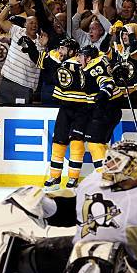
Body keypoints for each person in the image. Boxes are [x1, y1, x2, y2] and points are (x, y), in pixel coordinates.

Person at [0, 140, 137, 273]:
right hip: (82, 250)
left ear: (134, 167)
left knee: (96, 251)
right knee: (19, 258)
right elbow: (72, 212)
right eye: (109, 158)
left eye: (116, 161)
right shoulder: (93, 181)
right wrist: (45, 207)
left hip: (131, 267)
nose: (109, 164)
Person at [21, 36, 85, 190]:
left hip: (81, 108)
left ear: (72, 51)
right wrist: (31, 47)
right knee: (58, 142)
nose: (60, 51)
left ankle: (73, 179)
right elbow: (40, 59)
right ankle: (55, 177)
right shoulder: (56, 60)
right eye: (60, 48)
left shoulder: (82, 64)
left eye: (63, 48)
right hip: (64, 108)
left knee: (76, 144)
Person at [79, 45, 123, 171]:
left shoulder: (94, 65)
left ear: (88, 58)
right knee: (100, 144)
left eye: (80, 56)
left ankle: (103, 177)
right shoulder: (97, 61)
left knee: (94, 143)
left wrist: (104, 92)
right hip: (106, 109)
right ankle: (111, 174)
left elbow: (106, 82)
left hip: (106, 109)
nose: (78, 59)